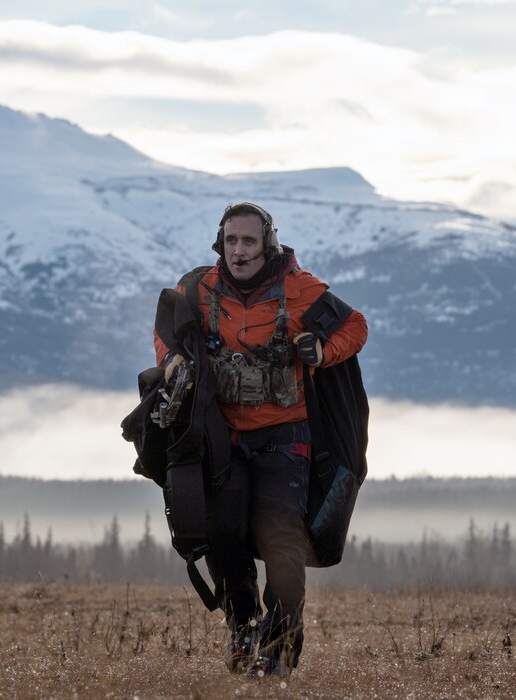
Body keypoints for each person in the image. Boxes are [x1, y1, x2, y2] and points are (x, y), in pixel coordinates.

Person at [153, 202, 368, 677]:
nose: (239, 250)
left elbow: (356, 327)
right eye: (231, 241)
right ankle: (242, 627)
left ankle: (281, 647)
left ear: (267, 243)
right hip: (223, 435)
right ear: (220, 243)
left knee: (283, 542)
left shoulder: (302, 289)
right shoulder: (198, 287)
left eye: (249, 241)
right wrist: (172, 360)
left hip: (286, 435)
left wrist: (323, 350)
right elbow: (167, 325)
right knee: (223, 532)